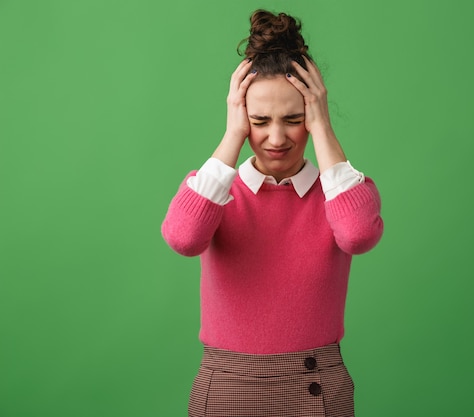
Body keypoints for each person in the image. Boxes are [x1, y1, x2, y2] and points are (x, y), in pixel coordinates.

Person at [161, 9, 384, 417]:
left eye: (295, 119)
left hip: (317, 389)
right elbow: (183, 237)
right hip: (227, 391)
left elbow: (356, 235)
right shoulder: (215, 193)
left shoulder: (341, 193)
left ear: (312, 118)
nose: (276, 138)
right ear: (242, 116)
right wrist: (232, 135)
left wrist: (324, 130)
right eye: (259, 121)